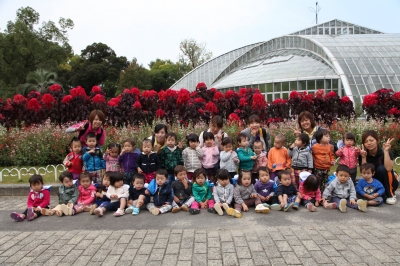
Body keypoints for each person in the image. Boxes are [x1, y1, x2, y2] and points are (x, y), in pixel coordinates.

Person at [359, 130, 399, 204]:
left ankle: (391, 195)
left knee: (381, 168)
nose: (369, 143)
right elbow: (364, 172)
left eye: (371, 140)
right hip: (373, 182)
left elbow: (389, 168)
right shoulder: (363, 154)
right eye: (366, 141)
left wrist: (386, 151)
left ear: (377, 140)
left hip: (388, 181)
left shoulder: (385, 151)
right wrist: (363, 157)